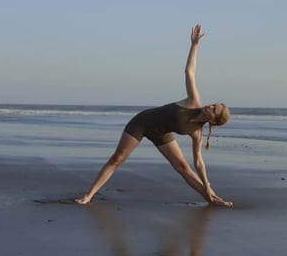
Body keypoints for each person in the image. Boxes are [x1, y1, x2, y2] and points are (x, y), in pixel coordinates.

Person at [75, 24, 233, 207]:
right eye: (214, 104)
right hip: (142, 122)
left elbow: (199, 162)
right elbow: (189, 71)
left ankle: (213, 199)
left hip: (161, 133)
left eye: (214, 109)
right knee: (118, 158)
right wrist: (194, 45)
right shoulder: (194, 101)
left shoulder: (197, 133)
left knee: (183, 167)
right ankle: (88, 195)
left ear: (213, 120)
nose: (211, 105)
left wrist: (207, 186)